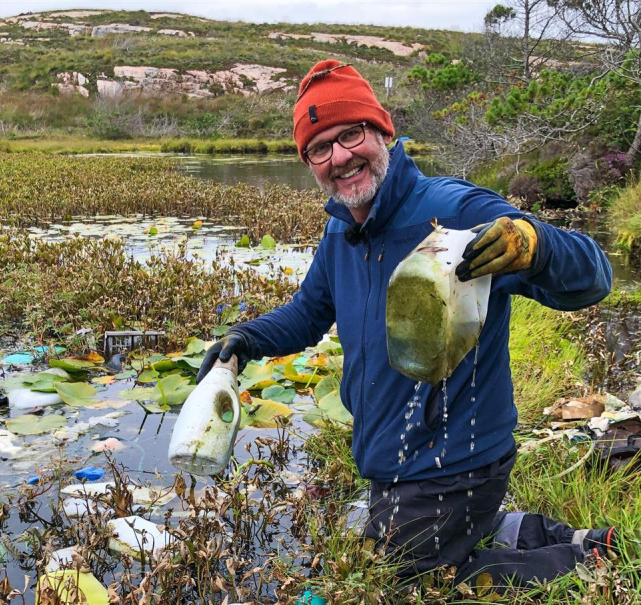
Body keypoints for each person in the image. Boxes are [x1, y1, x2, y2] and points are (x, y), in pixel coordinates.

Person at [196, 60, 619, 588]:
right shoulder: (342, 232)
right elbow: (308, 313)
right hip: (393, 458)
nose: (341, 157)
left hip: (457, 462)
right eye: (320, 148)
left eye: (351, 134)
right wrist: (245, 339)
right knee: (419, 542)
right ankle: (566, 537)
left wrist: (534, 246)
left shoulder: (453, 211)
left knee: (403, 580)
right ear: (309, 162)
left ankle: (592, 565)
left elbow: (594, 277)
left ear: (384, 132)